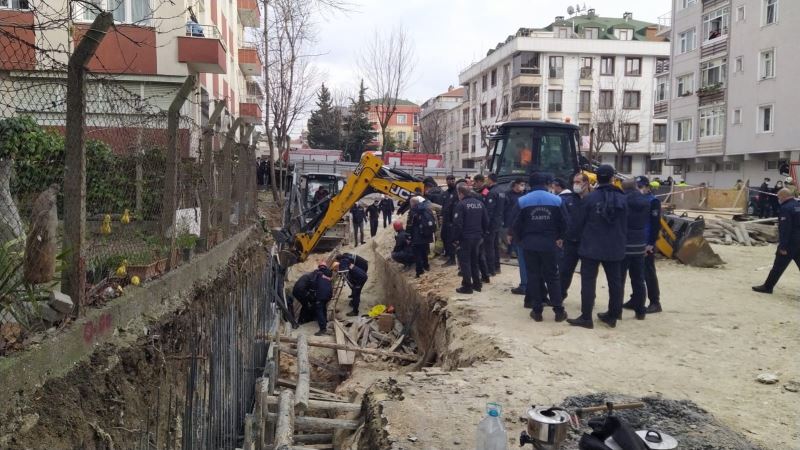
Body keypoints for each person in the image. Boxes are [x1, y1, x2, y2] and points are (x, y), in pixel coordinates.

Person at [566, 164, 628, 329]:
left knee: (588, 281)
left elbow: (578, 223)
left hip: (591, 246)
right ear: (612, 178)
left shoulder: (590, 199)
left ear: (597, 178)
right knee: (615, 282)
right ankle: (613, 315)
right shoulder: (622, 198)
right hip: (615, 246)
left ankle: (586, 317)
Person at [512, 172, 568, 322]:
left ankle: (537, 311)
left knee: (534, 276)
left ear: (530, 184)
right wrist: (560, 237)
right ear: (546, 184)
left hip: (529, 244)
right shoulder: (557, 200)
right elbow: (565, 222)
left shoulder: (522, 201)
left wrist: (519, 241)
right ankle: (559, 311)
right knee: (553, 276)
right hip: (550, 244)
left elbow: (515, 224)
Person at [752, 189, 800, 294]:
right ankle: (767, 286)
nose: (778, 199)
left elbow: (785, 229)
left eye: (778, 197)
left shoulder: (786, 208)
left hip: (790, 243)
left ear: (783, 196)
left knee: (778, 266)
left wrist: (782, 246)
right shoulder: (797, 205)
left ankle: (767, 287)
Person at [629, 176, 663, 314]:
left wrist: (651, 243)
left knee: (648, 272)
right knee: (635, 273)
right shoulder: (637, 200)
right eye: (637, 187)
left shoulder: (653, 201)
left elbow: (656, 224)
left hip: (646, 242)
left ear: (647, 187)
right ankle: (635, 299)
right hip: (636, 242)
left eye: (640, 187)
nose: (639, 189)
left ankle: (655, 301)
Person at [619, 179, 650, 321]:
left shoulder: (622, 201)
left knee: (619, 279)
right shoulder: (645, 201)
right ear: (636, 187)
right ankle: (640, 311)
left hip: (624, 243)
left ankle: (616, 310)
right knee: (638, 279)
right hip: (639, 242)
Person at [453, 183, 489, 294]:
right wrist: (482, 234)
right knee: (474, 261)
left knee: (465, 262)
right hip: (477, 237)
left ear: (461, 193)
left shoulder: (461, 205)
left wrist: (455, 239)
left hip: (465, 238)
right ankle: (477, 284)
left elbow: (458, 224)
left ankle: (467, 286)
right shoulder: (480, 204)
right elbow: (486, 221)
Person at [556, 173, 586, 299]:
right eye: (574, 182)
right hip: (570, 241)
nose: (576, 185)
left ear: (586, 183)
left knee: (587, 274)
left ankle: (587, 299)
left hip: (587, 243)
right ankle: (560, 295)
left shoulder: (591, 199)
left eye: (578, 182)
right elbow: (561, 220)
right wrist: (560, 236)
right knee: (565, 271)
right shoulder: (569, 200)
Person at [291, 263, 333, 336]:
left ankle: (322, 329)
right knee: (323, 307)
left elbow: (314, 286)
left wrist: (312, 295)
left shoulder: (317, 274)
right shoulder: (327, 276)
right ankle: (324, 321)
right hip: (329, 294)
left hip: (319, 294)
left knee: (318, 309)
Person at [408, 196, 436, 277]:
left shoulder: (413, 211)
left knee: (417, 254)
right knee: (424, 252)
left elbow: (409, 225)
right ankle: (426, 266)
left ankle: (419, 271)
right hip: (426, 235)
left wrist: (408, 236)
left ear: (412, 203)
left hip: (417, 236)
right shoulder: (426, 209)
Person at [484, 173, 506, 274]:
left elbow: (489, 211)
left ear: (490, 180)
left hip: (492, 223)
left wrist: (486, 224)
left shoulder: (492, 192)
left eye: (487, 179)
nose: (486, 181)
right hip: (498, 222)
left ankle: (490, 269)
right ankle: (497, 267)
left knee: (489, 246)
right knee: (496, 246)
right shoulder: (502, 191)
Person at [440, 175, 459, 266]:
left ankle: (452, 259)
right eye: (449, 180)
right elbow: (444, 206)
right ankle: (448, 254)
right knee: (443, 236)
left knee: (450, 239)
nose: (451, 181)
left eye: (453, 180)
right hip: (445, 219)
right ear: (446, 181)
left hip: (452, 221)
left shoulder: (457, 193)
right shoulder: (446, 193)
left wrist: (454, 221)